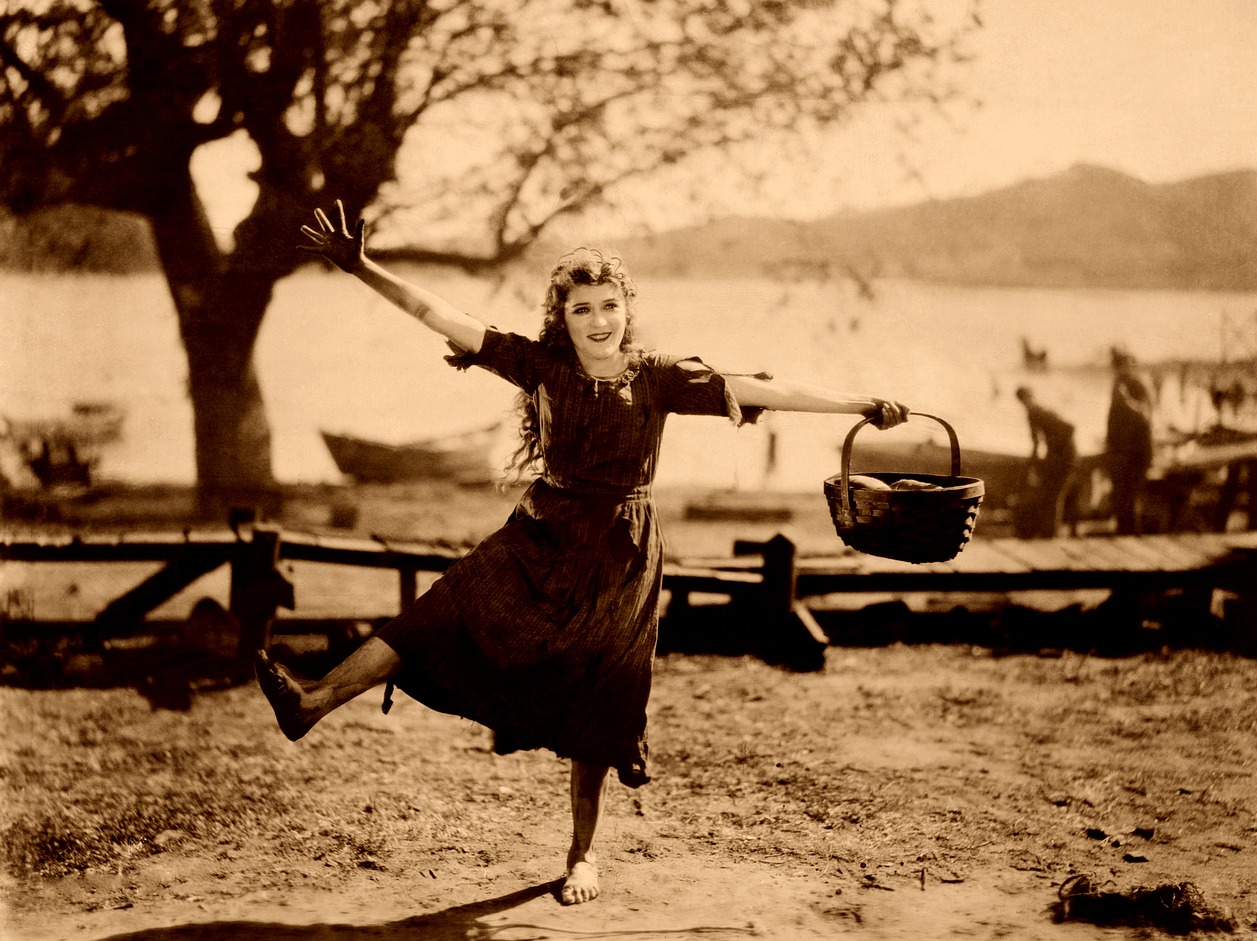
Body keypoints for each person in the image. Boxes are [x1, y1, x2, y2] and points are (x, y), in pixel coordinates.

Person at [256, 200, 910, 906]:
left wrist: (859, 402)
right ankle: (314, 699)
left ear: (628, 308)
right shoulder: (537, 364)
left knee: (602, 697)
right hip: (538, 534)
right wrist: (362, 267)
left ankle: (583, 856)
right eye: (581, 310)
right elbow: (440, 316)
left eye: (608, 305)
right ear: (561, 319)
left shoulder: (659, 376)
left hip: (621, 557)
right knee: (438, 613)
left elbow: (759, 388)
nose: (598, 320)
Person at [1014, 386, 1078, 538]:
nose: (1026, 403)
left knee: (1053, 494)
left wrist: (1034, 462)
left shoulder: (1036, 412)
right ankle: (1050, 531)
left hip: (1064, 455)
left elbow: (1068, 428)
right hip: (1064, 454)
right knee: (1052, 494)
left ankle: (1050, 533)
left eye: (1026, 399)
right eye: (1025, 400)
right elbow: (1038, 441)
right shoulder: (1039, 411)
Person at [1104, 348, 1154, 535]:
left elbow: (1145, 414)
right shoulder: (1118, 384)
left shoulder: (1137, 385)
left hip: (1136, 452)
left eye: (1125, 365)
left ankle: (1132, 535)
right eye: (1117, 366)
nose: (1120, 370)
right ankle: (1123, 532)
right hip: (1119, 451)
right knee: (1119, 496)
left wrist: (1125, 400)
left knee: (1132, 496)